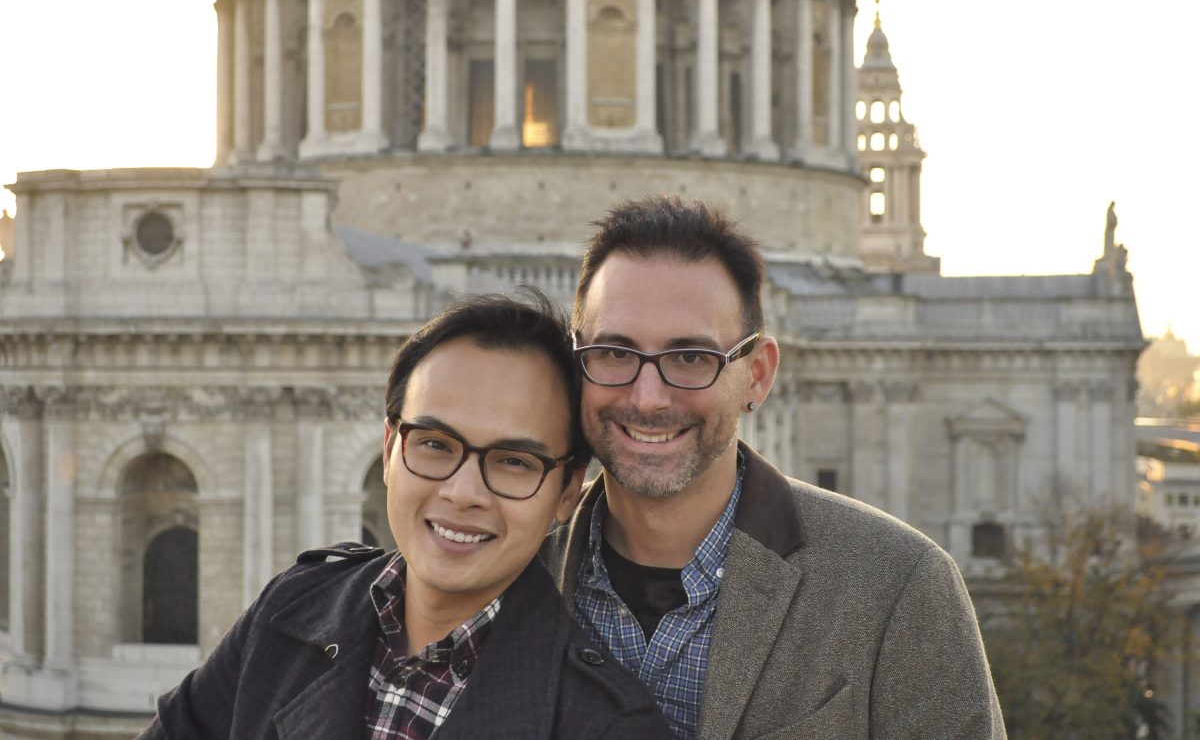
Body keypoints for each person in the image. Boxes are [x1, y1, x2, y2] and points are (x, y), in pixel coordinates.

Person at [542, 197, 1006, 739]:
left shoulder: (901, 587)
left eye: (691, 358)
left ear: (757, 375)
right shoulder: (511, 572)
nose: (648, 398)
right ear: (576, 364)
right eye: (615, 354)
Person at [141, 292, 671, 739]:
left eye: (513, 461)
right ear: (390, 448)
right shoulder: (288, 612)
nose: (463, 493)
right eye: (435, 444)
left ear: (567, 491)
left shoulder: (609, 725)